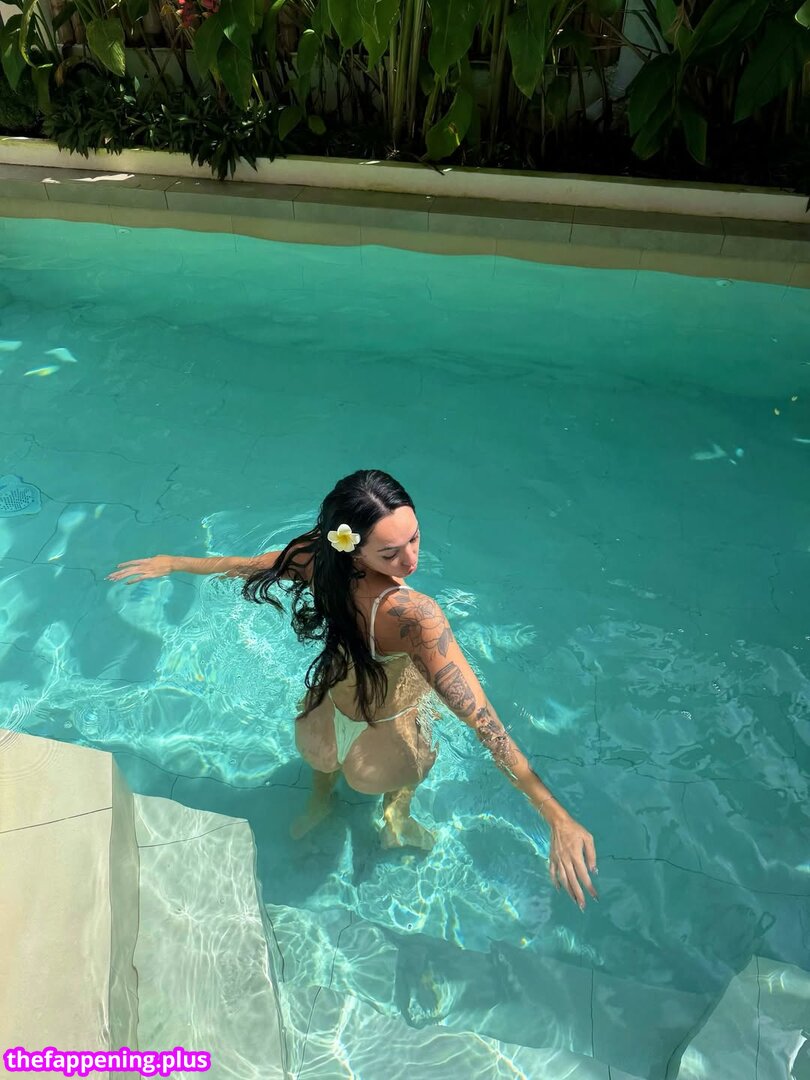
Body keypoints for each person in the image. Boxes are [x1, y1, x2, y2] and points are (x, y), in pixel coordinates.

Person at [107, 469, 598, 909]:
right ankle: (397, 817)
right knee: (410, 755)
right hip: (385, 742)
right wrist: (553, 813)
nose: (410, 558)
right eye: (391, 552)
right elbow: (480, 717)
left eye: (414, 538)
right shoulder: (415, 616)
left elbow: (250, 564)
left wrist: (174, 562)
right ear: (354, 548)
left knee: (323, 763)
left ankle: (319, 801)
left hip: (319, 719)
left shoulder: (316, 558)